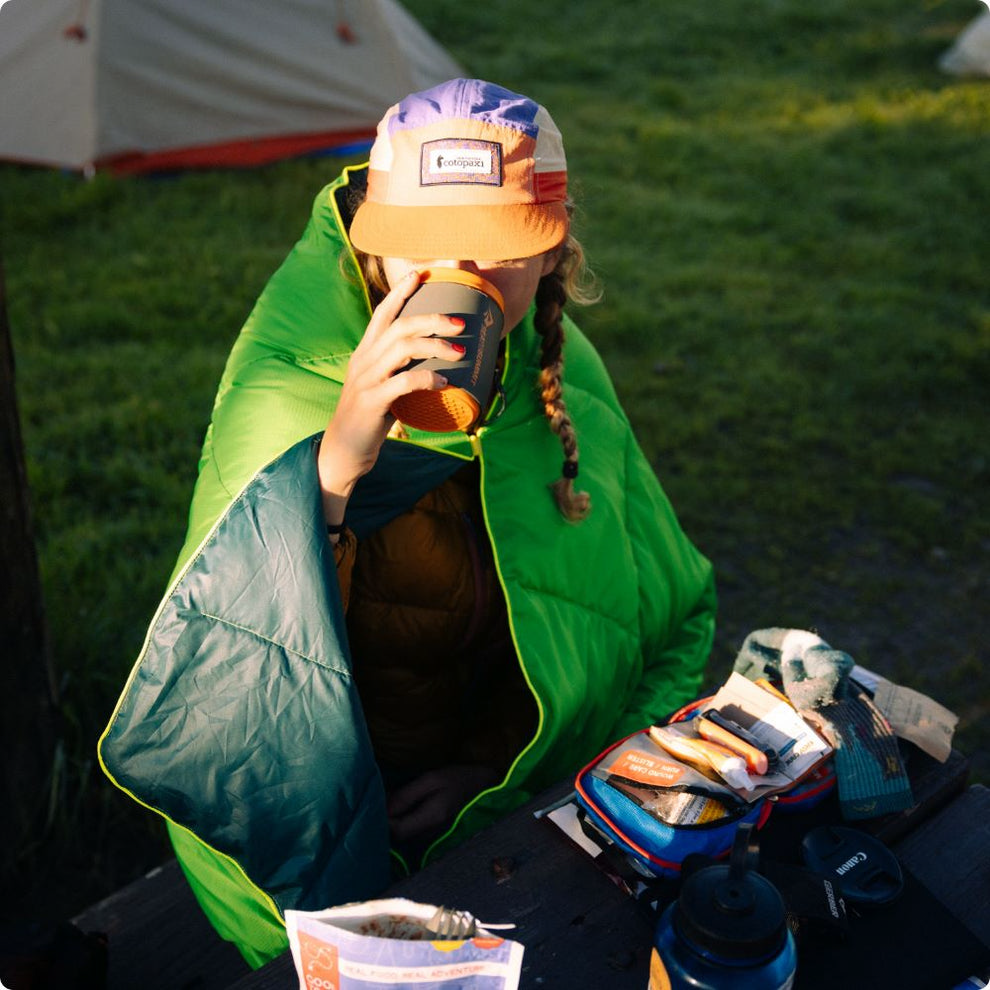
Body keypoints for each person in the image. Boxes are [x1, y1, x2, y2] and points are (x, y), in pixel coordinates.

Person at [99, 78, 717, 968]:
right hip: (347, 820)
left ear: (552, 250)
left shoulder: (554, 366)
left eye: (496, 251)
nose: (458, 281)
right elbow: (245, 685)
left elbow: (650, 609)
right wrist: (335, 469)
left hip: (504, 789)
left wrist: (503, 777)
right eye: (420, 251)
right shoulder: (288, 379)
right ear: (370, 244)